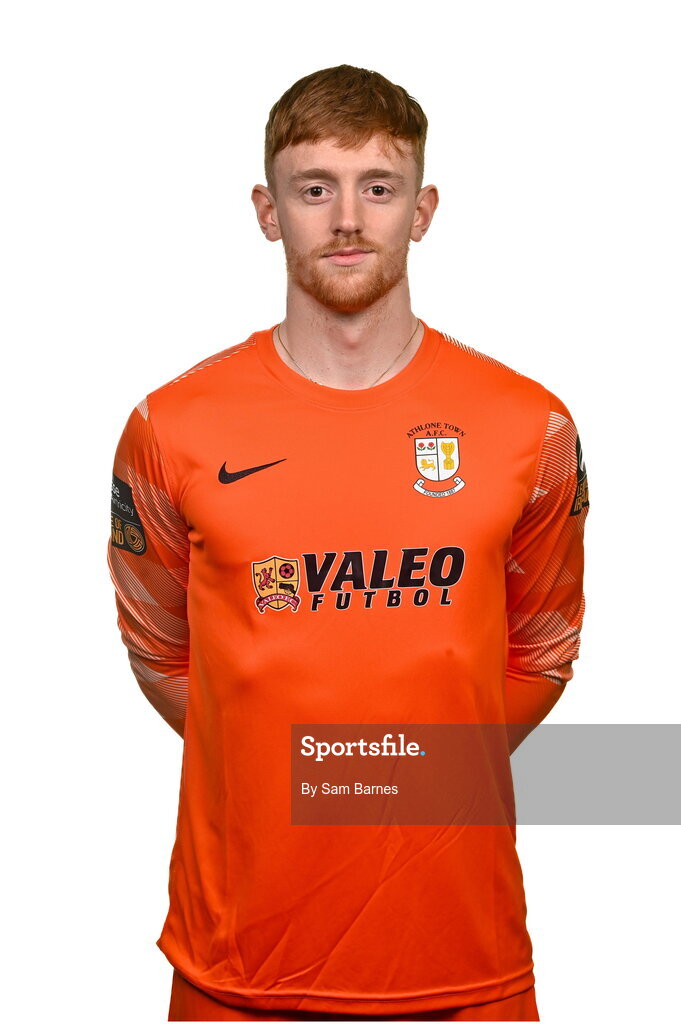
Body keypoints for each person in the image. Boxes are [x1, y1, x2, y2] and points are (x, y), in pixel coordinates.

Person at [107, 64, 590, 1022]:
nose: (345, 219)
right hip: (237, 966)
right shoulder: (171, 427)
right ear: (266, 208)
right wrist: (282, 777)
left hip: (464, 962)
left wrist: (379, 773)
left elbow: (543, 650)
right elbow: (161, 650)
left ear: (422, 209)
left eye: (378, 187)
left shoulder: (528, 427)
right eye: (313, 187)